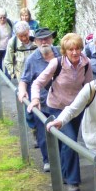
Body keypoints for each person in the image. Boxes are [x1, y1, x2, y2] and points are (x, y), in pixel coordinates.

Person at [30, 33, 93, 191]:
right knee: (71, 141)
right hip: (57, 107)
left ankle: (65, 173)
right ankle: (73, 182)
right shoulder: (56, 63)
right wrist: (35, 98)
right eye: (71, 49)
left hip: (75, 110)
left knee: (64, 143)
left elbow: (88, 87)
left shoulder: (86, 64)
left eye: (78, 48)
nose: (75, 52)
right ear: (64, 51)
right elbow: (37, 82)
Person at [18, 28, 60, 172]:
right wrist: (22, 91)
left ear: (52, 39)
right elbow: (24, 79)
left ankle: (62, 162)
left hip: (61, 103)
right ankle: (47, 160)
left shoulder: (61, 53)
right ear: (35, 42)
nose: (44, 42)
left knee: (62, 135)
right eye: (40, 40)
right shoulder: (32, 60)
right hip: (41, 104)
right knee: (43, 135)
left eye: (47, 38)